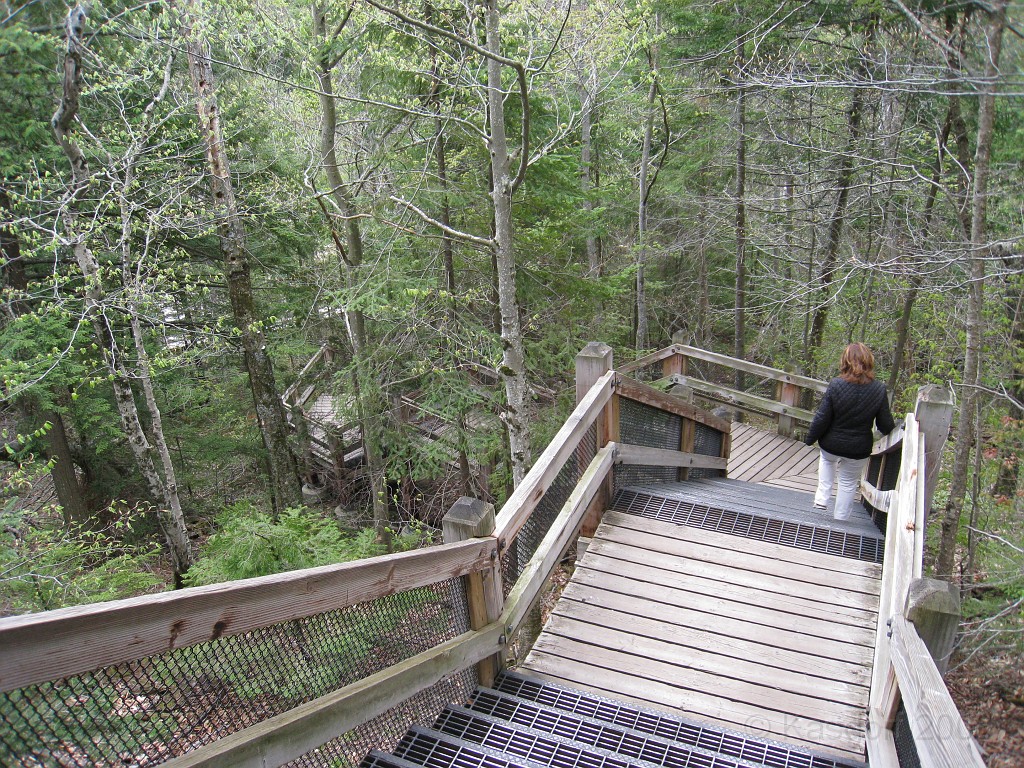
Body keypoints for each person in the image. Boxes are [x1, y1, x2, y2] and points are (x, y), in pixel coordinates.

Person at [805, 342, 896, 521]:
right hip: (858, 447)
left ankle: (822, 498)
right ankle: (840, 519)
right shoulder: (878, 389)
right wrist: (896, 430)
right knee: (847, 482)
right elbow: (885, 424)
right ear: (869, 361)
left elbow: (822, 417)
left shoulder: (836, 384)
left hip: (832, 442)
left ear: (845, 361)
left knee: (827, 460)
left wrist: (810, 438)